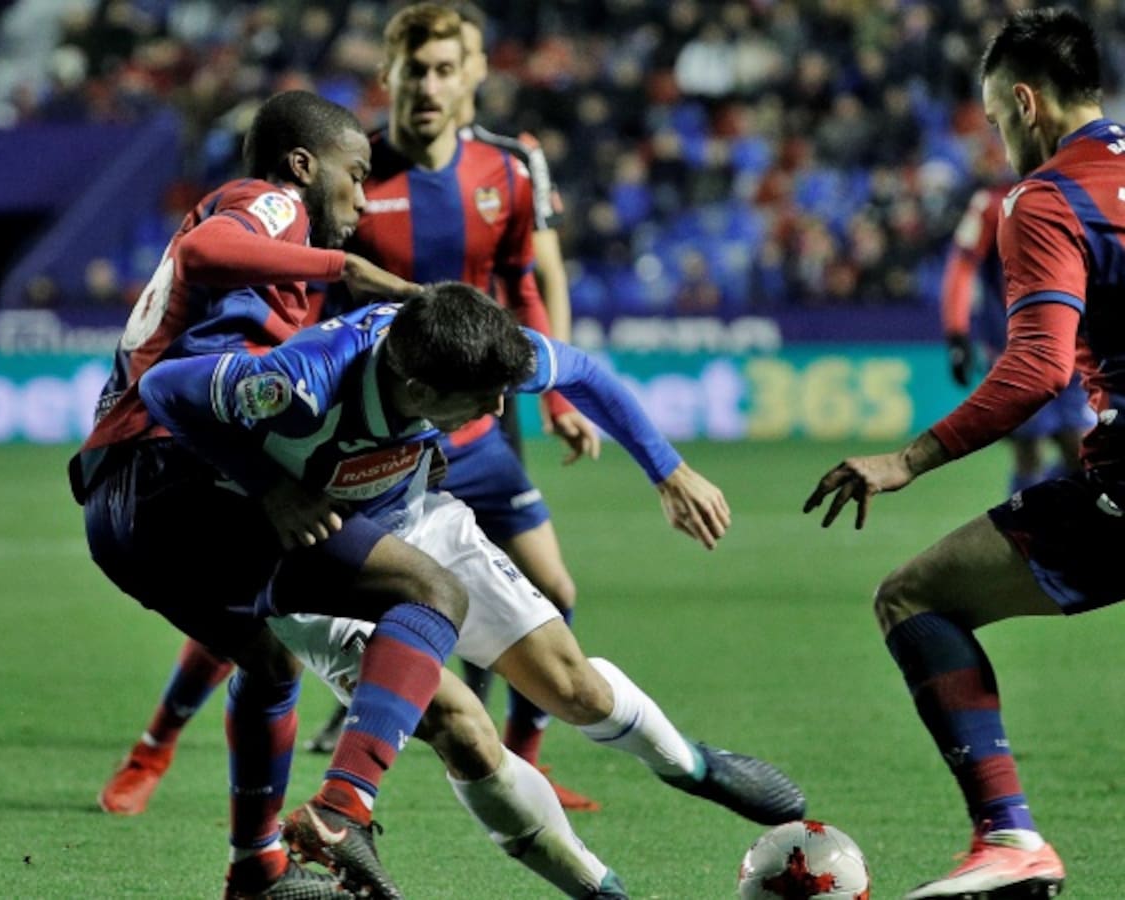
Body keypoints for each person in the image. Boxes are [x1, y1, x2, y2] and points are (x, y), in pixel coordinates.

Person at [140, 283, 807, 890]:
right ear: (420, 389)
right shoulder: (301, 383)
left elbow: (583, 372)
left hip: (419, 520)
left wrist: (668, 471)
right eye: (481, 399)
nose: (497, 409)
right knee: (465, 728)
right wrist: (272, 487)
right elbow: (165, 386)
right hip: (315, 562)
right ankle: (599, 889)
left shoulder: (477, 349)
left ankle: (689, 764)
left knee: (575, 688)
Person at [73, 88, 467, 900]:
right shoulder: (271, 204)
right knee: (430, 592)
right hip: (169, 480)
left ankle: (256, 869)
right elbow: (208, 250)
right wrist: (349, 269)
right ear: (302, 166)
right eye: (354, 176)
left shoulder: (277, 284)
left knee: (266, 658)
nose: (363, 197)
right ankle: (342, 808)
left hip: (115, 512)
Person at [804, 8, 1122, 897]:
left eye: (993, 118)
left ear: (1024, 102)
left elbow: (1035, 366)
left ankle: (1010, 836)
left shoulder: (1047, 196)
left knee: (914, 596)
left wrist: (906, 460)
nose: (998, 136)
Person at [311, 0, 603, 811]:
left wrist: (556, 396)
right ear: (389, 77)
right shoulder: (358, 168)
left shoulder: (509, 166)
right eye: (417, 71)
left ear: (475, 73)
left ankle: (517, 759)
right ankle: (156, 746)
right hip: (375, 418)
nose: (431, 86)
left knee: (548, 590)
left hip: (476, 414)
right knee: (275, 585)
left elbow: (531, 282)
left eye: (448, 68)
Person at [941, 174, 1092, 495]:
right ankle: (1025, 539)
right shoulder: (993, 203)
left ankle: (1047, 518)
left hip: (1075, 350)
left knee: (1080, 451)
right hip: (1016, 353)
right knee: (1030, 449)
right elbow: (961, 267)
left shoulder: (1084, 191)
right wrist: (957, 333)